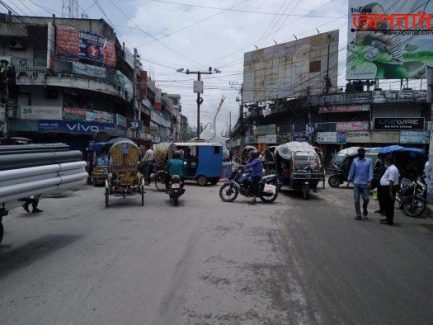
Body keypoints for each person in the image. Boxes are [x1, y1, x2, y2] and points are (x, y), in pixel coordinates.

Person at [347, 148, 373, 220]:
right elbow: (352, 170)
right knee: (356, 200)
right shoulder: (355, 161)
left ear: (364, 153)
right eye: (359, 152)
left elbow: (370, 171)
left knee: (367, 199)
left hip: (365, 184)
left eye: (361, 152)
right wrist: (348, 181)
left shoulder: (369, 161)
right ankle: (358, 214)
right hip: (356, 183)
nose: (360, 154)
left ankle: (365, 207)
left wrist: (370, 181)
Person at [379, 156, 400, 226]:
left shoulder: (392, 169)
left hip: (389, 188)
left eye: (385, 161)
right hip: (387, 188)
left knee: (389, 205)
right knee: (387, 205)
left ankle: (389, 221)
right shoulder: (390, 168)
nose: (385, 162)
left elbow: (391, 181)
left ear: (389, 161)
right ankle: (387, 218)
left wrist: (390, 192)